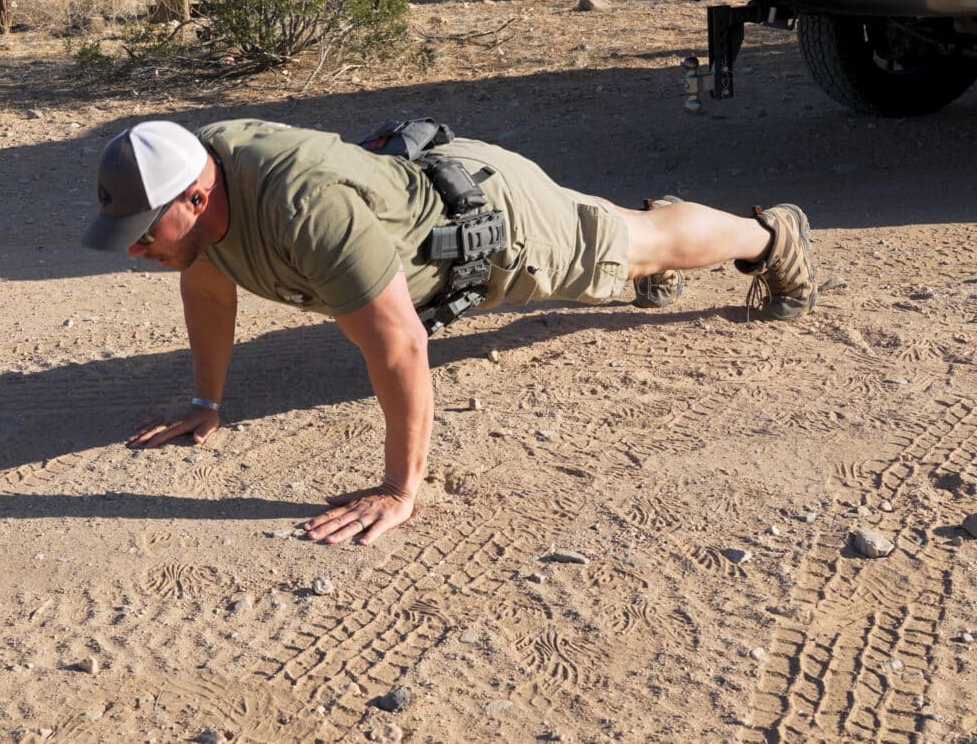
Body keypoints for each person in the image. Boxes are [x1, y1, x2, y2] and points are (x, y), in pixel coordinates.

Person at [81, 118, 818, 546]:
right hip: (443, 189)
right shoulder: (198, 184)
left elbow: (400, 345)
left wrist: (402, 490)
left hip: (497, 232)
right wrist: (206, 402)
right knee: (613, 233)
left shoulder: (305, 212)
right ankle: (639, 236)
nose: (138, 249)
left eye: (145, 233)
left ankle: (769, 236)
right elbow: (208, 282)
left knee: (641, 243)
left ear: (198, 194)